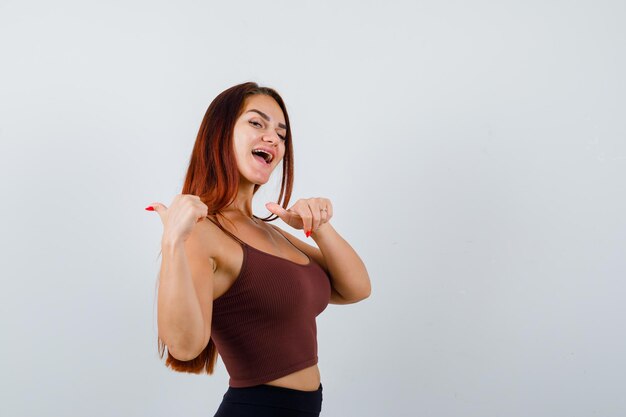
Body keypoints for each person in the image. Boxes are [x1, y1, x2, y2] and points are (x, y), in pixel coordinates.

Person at [146, 82, 371, 417]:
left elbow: (356, 288)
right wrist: (172, 242)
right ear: (220, 134)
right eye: (257, 123)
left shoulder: (268, 230)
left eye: (281, 134)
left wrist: (320, 227)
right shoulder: (201, 232)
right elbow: (184, 346)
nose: (273, 139)